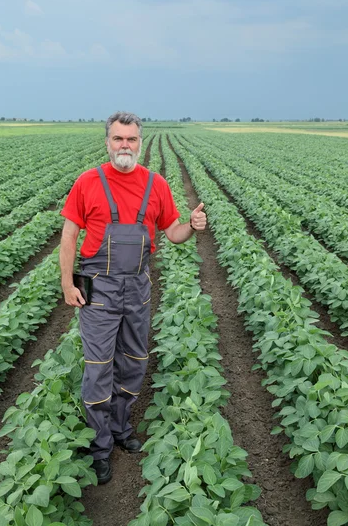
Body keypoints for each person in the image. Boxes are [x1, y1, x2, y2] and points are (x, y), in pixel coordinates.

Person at [59, 111, 206, 485]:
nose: (125, 145)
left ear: (140, 142)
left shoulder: (156, 185)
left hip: (137, 289)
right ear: (107, 141)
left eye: (132, 139)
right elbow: (69, 235)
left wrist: (191, 225)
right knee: (98, 368)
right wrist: (66, 283)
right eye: (118, 139)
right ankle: (100, 445)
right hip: (99, 291)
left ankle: (122, 428)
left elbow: (172, 232)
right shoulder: (88, 182)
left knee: (135, 362)